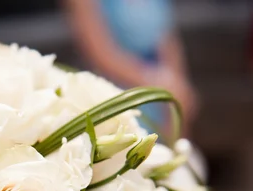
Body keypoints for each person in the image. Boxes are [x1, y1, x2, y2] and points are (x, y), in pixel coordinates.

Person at [63, 0, 198, 130]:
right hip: (116, 96)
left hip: (160, 93)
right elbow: (99, 54)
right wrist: (157, 85)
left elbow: (168, 42)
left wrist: (176, 87)